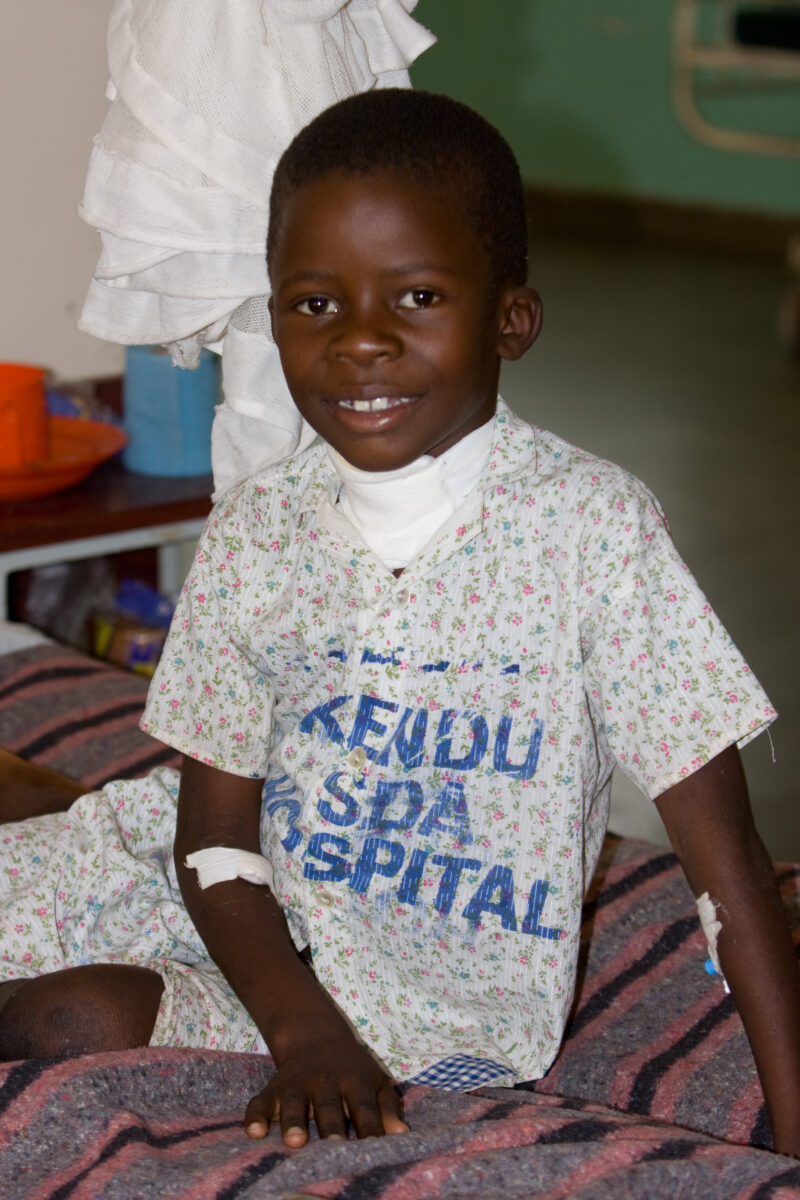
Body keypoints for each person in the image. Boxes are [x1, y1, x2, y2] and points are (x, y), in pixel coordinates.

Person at [2, 89, 799, 1156]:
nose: (361, 342)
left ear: (510, 317)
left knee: (71, 1020)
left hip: (423, 1013)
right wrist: (299, 1032)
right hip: (215, 889)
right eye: (314, 304)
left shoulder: (590, 533)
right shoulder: (256, 530)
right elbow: (211, 836)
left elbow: (729, 870)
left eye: (415, 295)